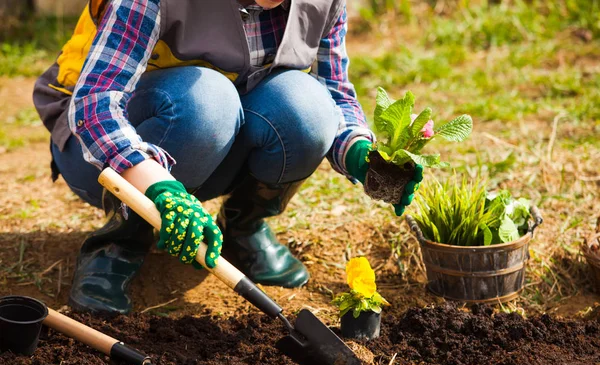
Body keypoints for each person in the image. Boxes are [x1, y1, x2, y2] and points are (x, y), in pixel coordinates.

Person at [33, 0, 422, 314]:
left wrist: (361, 155)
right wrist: (158, 185)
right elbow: (94, 105)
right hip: (98, 149)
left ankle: (244, 225)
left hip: (213, 143)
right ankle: (120, 241)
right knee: (208, 102)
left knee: (309, 109)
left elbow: (334, 94)